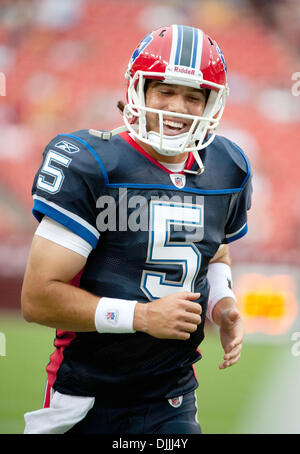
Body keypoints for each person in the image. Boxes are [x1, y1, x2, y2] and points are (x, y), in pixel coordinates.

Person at [21, 24, 252, 435]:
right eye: (164, 90)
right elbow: (39, 298)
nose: (177, 106)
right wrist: (142, 316)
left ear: (212, 104)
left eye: (193, 96)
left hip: (172, 395)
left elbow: (214, 252)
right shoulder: (91, 162)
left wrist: (223, 300)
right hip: (85, 396)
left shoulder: (226, 167)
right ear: (137, 91)